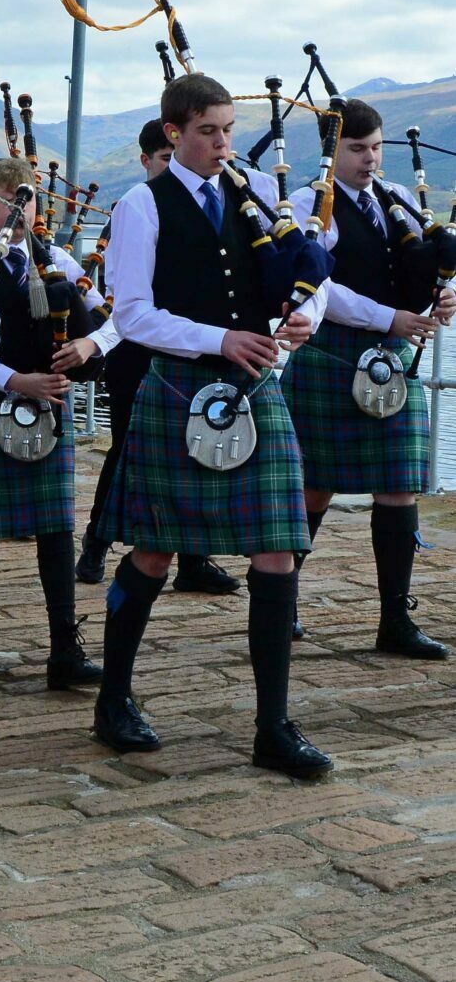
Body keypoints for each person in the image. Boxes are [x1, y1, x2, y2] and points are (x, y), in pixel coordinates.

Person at [93, 72, 332, 777]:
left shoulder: (254, 192)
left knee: (277, 550)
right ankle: (113, 699)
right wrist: (219, 339)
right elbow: (130, 313)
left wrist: (301, 319)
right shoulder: (142, 204)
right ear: (173, 132)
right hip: (179, 382)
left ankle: (273, 726)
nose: (222, 141)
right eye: (207, 130)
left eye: (228, 128)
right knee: (154, 552)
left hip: (254, 384)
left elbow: (312, 276)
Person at [282, 98, 454, 657]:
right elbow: (321, 289)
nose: (370, 159)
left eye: (376, 147)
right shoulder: (311, 203)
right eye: (357, 149)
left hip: (391, 356)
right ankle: (281, 604)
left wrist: (441, 295)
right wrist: (391, 318)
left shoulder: (397, 199)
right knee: (314, 484)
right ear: (332, 149)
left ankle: (394, 620)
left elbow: (419, 265)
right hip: (331, 353)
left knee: (400, 483)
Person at [0, 157, 115, 687]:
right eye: (7, 197)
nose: (20, 210)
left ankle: (63, 647)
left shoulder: (60, 260)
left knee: (56, 529)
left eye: (29, 198)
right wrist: (18, 382)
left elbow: (114, 322)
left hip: (50, 405)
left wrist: (86, 348)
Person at [77, 121, 239, 598]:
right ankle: (96, 541)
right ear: (146, 161)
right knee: (127, 450)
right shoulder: (132, 212)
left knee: (201, 448)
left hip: (197, 351)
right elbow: (117, 306)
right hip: (137, 355)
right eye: (164, 158)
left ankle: (193, 559)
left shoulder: (211, 209)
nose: (173, 165)